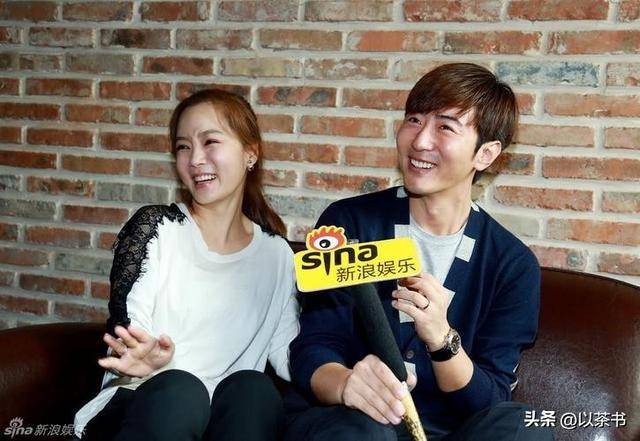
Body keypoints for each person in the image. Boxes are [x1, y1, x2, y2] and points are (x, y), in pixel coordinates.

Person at [284, 63, 554, 441]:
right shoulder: (349, 224)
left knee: (525, 427)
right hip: (353, 422)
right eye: (414, 120)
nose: (420, 140)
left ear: (486, 154)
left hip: (447, 432)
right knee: (366, 431)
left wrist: (443, 339)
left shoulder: (511, 264)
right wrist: (345, 383)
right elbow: (314, 346)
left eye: (445, 127)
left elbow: (490, 400)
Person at [74, 89, 299, 441]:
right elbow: (130, 326)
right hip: (143, 406)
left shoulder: (277, 255)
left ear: (250, 153)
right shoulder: (158, 228)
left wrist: (348, 349)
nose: (194, 159)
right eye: (183, 147)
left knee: (254, 391)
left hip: (224, 423)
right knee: (181, 390)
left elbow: (289, 356)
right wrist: (141, 356)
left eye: (210, 142)